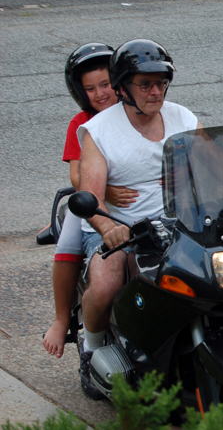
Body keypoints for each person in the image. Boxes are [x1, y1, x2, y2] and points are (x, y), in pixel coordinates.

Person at [76, 39, 200, 400]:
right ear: (122, 89)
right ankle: (91, 350)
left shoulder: (183, 117)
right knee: (106, 283)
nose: (155, 91)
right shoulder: (99, 131)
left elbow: (219, 167)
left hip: (177, 223)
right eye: (145, 83)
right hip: (118, 228)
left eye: (160, 82)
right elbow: (93, 198)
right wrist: (109, 227)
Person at [42, 43, 138, 358]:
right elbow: (76, 176)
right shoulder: (81, 123)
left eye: (105, 84)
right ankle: (60, 318)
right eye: (90, 88)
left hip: (136, 201)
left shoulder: (138, 112)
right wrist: (104, 193)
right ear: (80, 93)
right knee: (68, 250)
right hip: (91, 200)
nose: (99, 93)